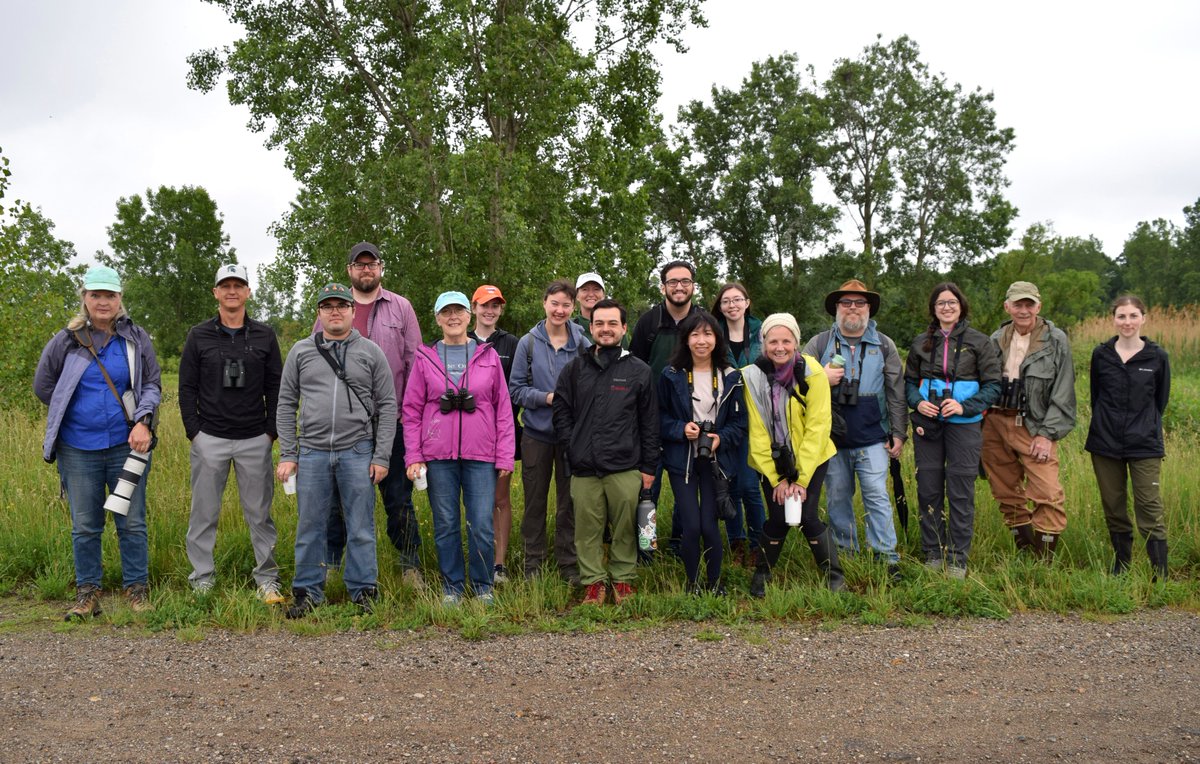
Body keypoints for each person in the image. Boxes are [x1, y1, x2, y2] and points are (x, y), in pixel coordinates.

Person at [34, 266, 161, 619]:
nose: (103, 302)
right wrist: (71, 412)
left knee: (131, 521)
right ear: (85, 298)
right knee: (86, 525)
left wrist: (143, 421)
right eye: (96, 295)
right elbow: (44, 386)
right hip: (77, 449)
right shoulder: (66, 340)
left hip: (127, 445)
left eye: (110, 295)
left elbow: (151, 384)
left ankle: (137, 590)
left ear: (120, 299)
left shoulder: (136, 338)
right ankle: (87, 593)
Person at [277, 283, 397, 618]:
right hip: (312, 452)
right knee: (310, 524)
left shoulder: (371, 352)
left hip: (358, 450)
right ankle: (307, 592)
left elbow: (388, 406)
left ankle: (363, 591)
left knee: (360, 525)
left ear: (351, 311)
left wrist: (381, 455)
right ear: (319, 312)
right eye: (327, 306)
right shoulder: (301, 352)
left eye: (341, 305)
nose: (335, 311)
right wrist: (289, 452)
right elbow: (285, 403)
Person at [179, 263, 285, 602]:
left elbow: (276, 385)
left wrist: (271, 432)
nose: (232, 291)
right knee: (204, 514)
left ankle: (267, 580)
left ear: (248, 292)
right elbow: (186, 388)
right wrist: (194, 432)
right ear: (215, 292)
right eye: (225, 285)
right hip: (209, 438)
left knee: (260, 515)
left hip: (255, 438)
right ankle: (202, 580)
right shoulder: (198, 335)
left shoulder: (265, 335)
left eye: (238, 285)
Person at [322, 242, 425, 589]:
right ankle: (332, 564)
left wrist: (412, 419)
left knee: (398, 499)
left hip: (391, 423)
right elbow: (317, 363)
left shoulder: (402, 308)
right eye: (359, 265)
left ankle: (410, 566)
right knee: (336, 501)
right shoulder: (333, 309)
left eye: (372, 264)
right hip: (344, 427)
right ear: (349, 270)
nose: (366, 270)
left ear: (381, 268)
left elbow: (415, 364)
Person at [405, 292, 516, 605]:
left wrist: (505, 454)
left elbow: (503, 409)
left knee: (481, 523)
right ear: (438, 318)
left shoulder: (488, 356)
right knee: (446, 525)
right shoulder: (425, 357)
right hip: (438, 457)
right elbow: (411, 409)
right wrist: (413, 455)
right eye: (446, 312)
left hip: (481, 455)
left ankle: (482, 586)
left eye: (459, 311)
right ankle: (452, 587)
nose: (453, 317)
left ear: (469, 316)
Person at [553, 299, 659, 605]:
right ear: (591, 327)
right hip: (584, 467)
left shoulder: (639, 371)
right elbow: (561, 411)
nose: (606, 329)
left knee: (625, 527)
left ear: (624, 328)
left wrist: (649, 466)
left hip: (625, 466)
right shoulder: (575, 369)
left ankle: (623, 580)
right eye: (599, 323)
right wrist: (571, 445)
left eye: (613, 323)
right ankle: (594, 583)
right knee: (586, 530)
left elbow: (650, 422)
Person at [803, 279, 907, 578]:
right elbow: (796, 383)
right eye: (846, 302)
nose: (852, 308)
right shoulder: (819, 344)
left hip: (873, 437)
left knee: (877, 495)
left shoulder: (884, 345)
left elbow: (896, 392)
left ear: (869, 309)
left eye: (859, 303)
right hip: (831, 439)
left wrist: (898, 433)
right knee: (837, 498)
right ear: (836, 308)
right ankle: (847, 554)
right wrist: (820, 376)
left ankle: (887, 558)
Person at [742, 313, 843, 596]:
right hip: (772, 460)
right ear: (764, 343)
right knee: (778, 517)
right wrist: (777, 480)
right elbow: (758, 431)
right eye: (773, 341)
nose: (780, 347)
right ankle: (762, 574)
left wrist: (800, 479)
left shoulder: (813, 373)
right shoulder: (752, 376)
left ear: (796, 342)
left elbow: (818, 426)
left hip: (813, 456)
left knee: (807, 515)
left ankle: (835, 577)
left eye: (786, 340)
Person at [905, 283, 1001, 579]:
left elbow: (994, 385)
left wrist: (964, 407)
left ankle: (958, 558)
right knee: (929, 488)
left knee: (961, 491)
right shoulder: (922, 342)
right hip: (929, 423)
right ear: (933, 309)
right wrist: (919, 403)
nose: (946, 307)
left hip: (965, 425)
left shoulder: (979, 342)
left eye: (952, 302)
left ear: (961, 306)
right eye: (940, 303)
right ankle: (933, 553)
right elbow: (908, 383)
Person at [981, 281, 1076, 560]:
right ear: (1007, 306)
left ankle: (1045, 561)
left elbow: (1064, 390)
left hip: (1034, 425)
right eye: (1017, 304)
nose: (1023, 310)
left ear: (1039, 306)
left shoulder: (1055, 340)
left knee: (1047, 491)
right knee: (1005, 490)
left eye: (1029, 304)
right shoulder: (995, 338)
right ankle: (1026, 555)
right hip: (995, 422)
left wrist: (1047, 434)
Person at [658, 312, 746, 594]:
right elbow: (659, 418)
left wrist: (721, 438)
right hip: (682, 460)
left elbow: (740, 424)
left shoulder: (731, 376)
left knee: (709, 525)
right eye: (694, 334)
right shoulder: (671, 375)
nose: (701, 340)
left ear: (717, 338)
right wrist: (681, 429)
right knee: (691, 526)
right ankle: (693, 583)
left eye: (708, 334)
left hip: (715, 462)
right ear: (685, 339)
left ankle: (715, 583)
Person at [509, 280, 591, 582]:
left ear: (573, 308)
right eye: (554, 303)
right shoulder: (528, 343)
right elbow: (515, 390)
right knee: (534, 503)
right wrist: (546, 398)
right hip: (536, 435)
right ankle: (534, 565)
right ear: (544, 303)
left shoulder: (583, 344)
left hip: (571, 438)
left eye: (566, 305)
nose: (560, 310)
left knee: (569, 503)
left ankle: (568, 563)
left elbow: (591, 387)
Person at [1085, 295, 1170, 578]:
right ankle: (1121, 565)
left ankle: (1160, 573)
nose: (1127, 322)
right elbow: (1096, 397)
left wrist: (1143, 424)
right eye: (1122, 316)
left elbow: (1160, 400)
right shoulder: (1101, 355)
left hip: (1144, 443)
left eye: (1133, 316)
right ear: (1114, 319)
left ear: (1143, 318)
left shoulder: (1157, 357)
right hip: (1105, 442)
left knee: (1148, 504)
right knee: (1113, 505)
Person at [629, 260, 704, 557]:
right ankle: (646, 546)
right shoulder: (648, 322)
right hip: (650, 418)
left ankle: (680, 543)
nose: (679, 287)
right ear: (663, 287)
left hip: (692, 418)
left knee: (688, 484)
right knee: (648, 487)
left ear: (693, 286)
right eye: (672, 282)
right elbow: (634, 367)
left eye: (685, 281)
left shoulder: (703, 321)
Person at [469, 284, 521, 584]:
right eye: (484, 305)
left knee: (500, 499)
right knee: (475, 501)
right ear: (474, 307)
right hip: (468, 434)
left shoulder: (511, 343)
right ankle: (479, 559)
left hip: (503, 432)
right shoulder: (461, 339)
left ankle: (498, 565)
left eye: (496, 306)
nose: (490, 311)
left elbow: (513, 390)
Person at [711, 282, 766, 566]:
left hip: (757, 414)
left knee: (749, 486)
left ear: (747, 302)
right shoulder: (712, 332)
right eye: (725, 301)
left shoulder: (763, 331)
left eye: (737, 300)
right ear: (719, 306)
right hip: (725, 415)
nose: (731, 305)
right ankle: (737, 542)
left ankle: (760, 542)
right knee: (729, 483)